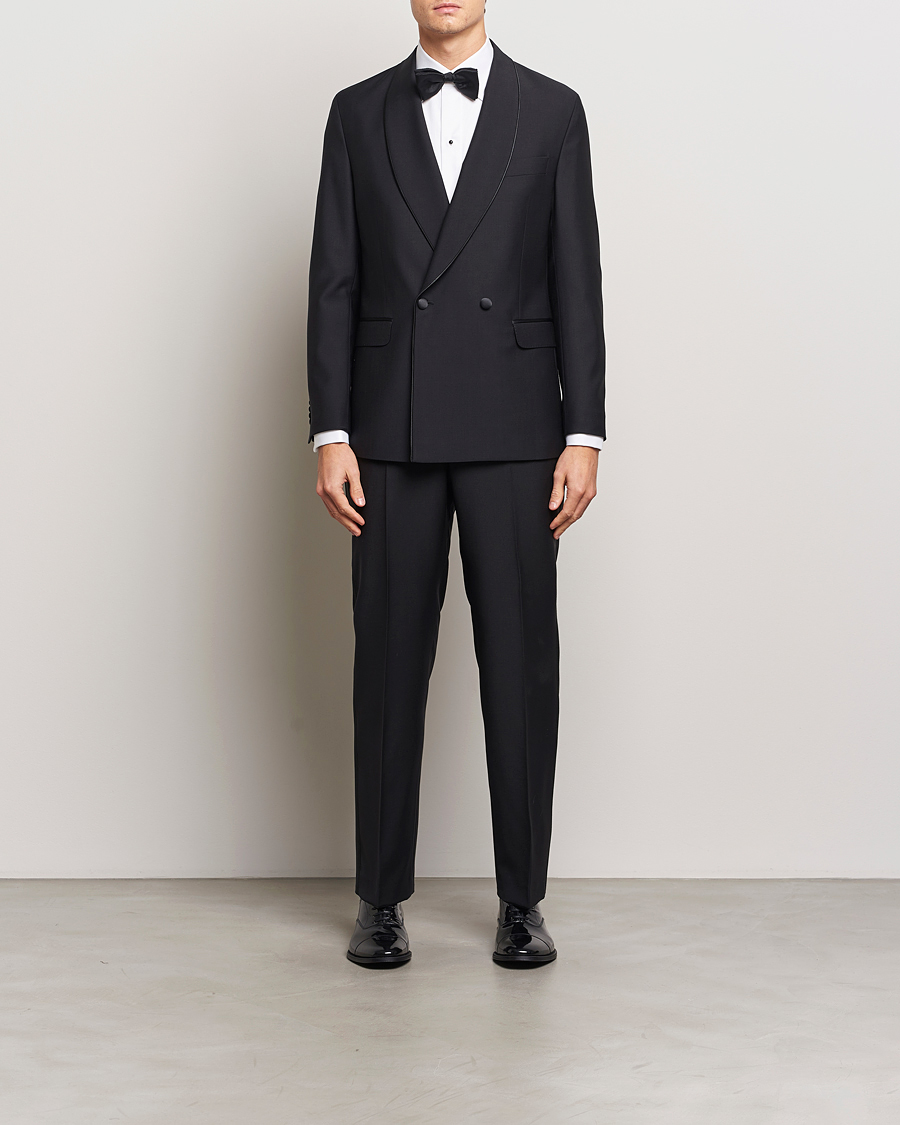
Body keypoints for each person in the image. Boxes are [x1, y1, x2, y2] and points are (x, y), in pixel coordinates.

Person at [307, 0, 605, 968]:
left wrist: (585, 431)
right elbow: (334, 281)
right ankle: (379, 899)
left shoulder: (552, 111)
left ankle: (522, 901)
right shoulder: (356, 113)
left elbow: (576, 279)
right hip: (388, 430)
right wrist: (330, 430)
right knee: (388, 665)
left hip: (517, 428)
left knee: (521, 666)